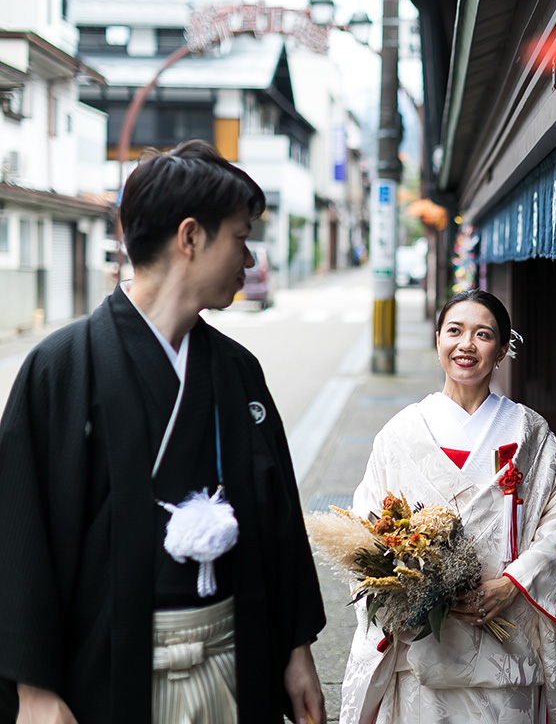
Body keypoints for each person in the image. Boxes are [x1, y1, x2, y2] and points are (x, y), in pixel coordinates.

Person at [0, 141, 327, 724]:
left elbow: (276, 518)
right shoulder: (60, 368)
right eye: (240, 237)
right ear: (191, 237)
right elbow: (19, 536)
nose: (249, 260)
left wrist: (295, 649)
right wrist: (33, 688)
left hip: (234, 652)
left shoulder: (237, 370)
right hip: (108, 670)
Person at [340, 289, 556, 724]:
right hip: (425, 652)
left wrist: (514, 582)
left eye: (483, 334)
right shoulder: (400, 434)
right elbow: (369, 527)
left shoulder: (529, 432)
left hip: (507, 652)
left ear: (503, 348)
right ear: (438, 341)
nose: (466, 344)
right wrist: (425, 589)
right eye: (454, 331)